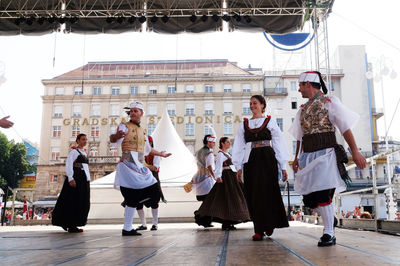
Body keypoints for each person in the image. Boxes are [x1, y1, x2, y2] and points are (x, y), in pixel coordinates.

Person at [289, 71, 366, 247]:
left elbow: (344, 128)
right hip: (308, 156)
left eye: (300, 85)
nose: (299, 89)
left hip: (326, 154)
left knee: (323, 192)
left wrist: (355, 151)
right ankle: (329, 218)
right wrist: (296, 158)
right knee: (309, 198)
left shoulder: (329, 102)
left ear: (308, 84)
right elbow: (300, 137)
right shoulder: (302, 108)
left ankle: (328, 233)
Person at [232, 95, 290, 241]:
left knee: (269, 191)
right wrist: (238, 167)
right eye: (250, 103)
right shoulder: (243, 125)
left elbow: (278, 142)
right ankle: (258, 229)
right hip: (250, 160)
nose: (252, 106)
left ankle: (269, 224)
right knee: (253, 193)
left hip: (267, 159)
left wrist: (283, 166)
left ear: (262, 105)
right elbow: (238, 146)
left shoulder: (270, 122)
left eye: (255, 103)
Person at [110, 101, 171, 236]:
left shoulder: (143, 130)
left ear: (141, 113)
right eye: (131, 111)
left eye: (135, 111)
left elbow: (148, 149)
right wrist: (117, 135)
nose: (132, 113)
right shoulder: (124, 126)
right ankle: (127, 228)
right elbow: (113, 141)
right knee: (131, 196)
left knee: (154, 189)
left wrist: (161, 154)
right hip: (127, 165)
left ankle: (133, 221)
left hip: (139, 166)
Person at [196, 137, 250, 230]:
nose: (229, 144)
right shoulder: (221, 154)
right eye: (227, 142)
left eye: (229, 142)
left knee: (231, 200)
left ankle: (229, 221)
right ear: (222, 143)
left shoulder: (228, 154)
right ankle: (226, 222)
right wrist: (218, 176)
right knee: (228, 200)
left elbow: (232, 166)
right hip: (226, 178)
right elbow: (218, 166)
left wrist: (237, 175)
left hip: (232, 177)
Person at [52, 133, 91, 233]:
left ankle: (75, 223)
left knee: (82, 201)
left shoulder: (84, 153)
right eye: (83, 139)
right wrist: (70, 178)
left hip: (83, 178)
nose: (85, 141)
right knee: (73, 200)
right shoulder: (74, 152)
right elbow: (69, 164)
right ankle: (69, 223)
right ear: (77, 141)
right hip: (76, 177)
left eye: (86, 139)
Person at [136, 135, 166, 231]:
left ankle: (155, 224)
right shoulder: (139, 153)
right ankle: (143, 224)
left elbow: (155, 168)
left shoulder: (155, 154)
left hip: (152, 180)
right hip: (141, 180)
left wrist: (143, 166)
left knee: (154, 202)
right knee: (138, 203)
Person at [192, 135, 217, 228]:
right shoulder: (209, 153)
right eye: (213, 142)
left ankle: (204, 220)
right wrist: (215, 177)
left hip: (198, 178)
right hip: (206, 178)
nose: (214, 144)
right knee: (209, 200)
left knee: (206, 201)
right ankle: (201, 217)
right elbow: (209, 166)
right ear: (208, 142)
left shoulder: (198, 152)